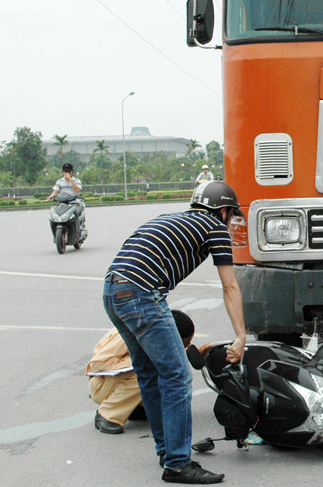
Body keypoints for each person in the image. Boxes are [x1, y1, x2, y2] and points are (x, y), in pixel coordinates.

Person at [103, 181, 247, 484]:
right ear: (223, 210)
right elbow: (230, 286)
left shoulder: (169, 217)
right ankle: (179, 463)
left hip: (112, 291)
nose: (230, 221)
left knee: (150, 373)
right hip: (141, 293)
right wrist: (241, 335)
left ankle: (167, 451)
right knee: (177, 376)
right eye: (231, 215)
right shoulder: (214, 226)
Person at [87, 310, 205, 435]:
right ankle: (107, 415)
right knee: (146, 370)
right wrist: (144, 360)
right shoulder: (133, 330)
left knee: (169, 373)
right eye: (182, 345)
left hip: (122, 381)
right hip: (101, 384)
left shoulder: (157, 337)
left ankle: (138, 408)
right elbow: (98, 364)